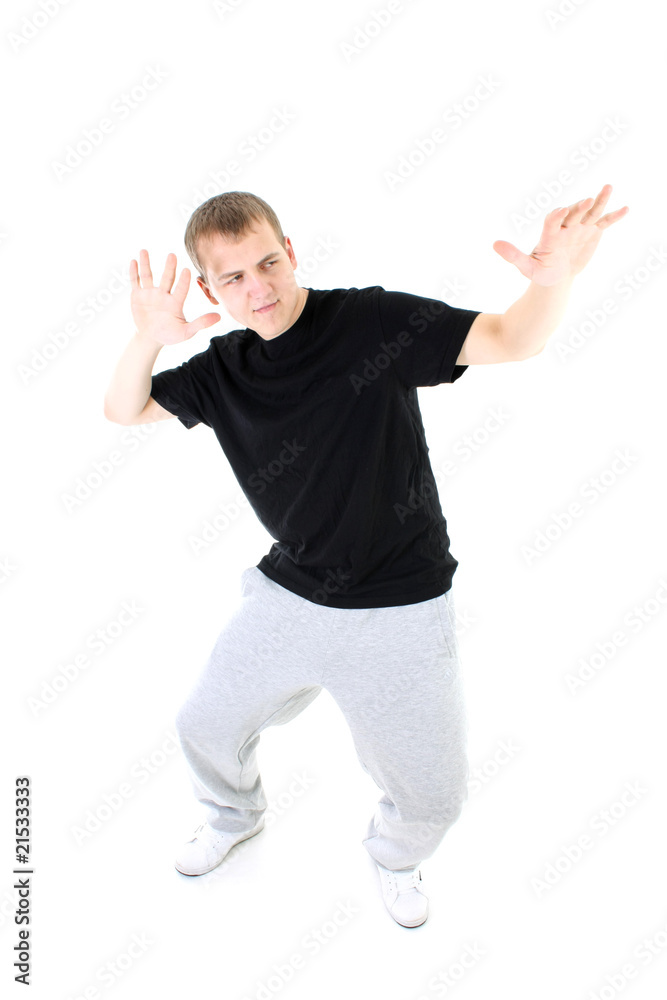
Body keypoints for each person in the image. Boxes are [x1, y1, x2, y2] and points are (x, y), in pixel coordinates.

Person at [104, 187, 628, 928]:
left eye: (268, 262)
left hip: (400, 604)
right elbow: (123, 408)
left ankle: (394, 856)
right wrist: (147, 339)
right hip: (290, 595)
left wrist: (553, 281)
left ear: (291, 252)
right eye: (233, 277)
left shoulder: (370, 322)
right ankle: (233, 818)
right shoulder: (222, 368)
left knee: (434, 795)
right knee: (203, 726)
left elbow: (511, 339)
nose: (258, 287)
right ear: (210, 290)